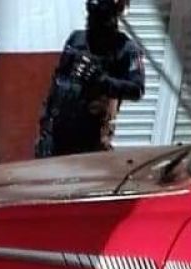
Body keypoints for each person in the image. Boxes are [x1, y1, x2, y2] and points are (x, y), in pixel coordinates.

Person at [36, 0, 144, 158]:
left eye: (100, 18)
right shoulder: (76, 39)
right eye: (92, 17)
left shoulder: (126, 48)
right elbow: (57, 84)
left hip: (92, 139)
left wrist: (102, 81)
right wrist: (46, 131)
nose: (93, 24)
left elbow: (137, 90)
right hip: (59, 135)